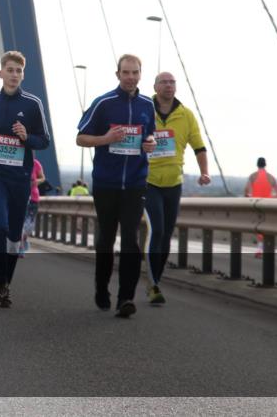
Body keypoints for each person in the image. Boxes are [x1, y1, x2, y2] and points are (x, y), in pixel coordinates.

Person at [76, 54, 157, 318]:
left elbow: (151, 135)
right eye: (126, 72)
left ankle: (125, 298)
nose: (131, 77)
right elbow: (81, 138)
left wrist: (151, 143)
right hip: (106, 183)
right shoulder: (103, 103)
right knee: (106, 240)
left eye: (135, 73)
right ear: (118, 74)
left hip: (135, 183)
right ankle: (102, 289)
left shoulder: (147, 105)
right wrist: (106, 138)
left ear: (140, 74)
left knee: (131, 240)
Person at [0, 51, 51, 309]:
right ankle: (0, 281)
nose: (14, 75)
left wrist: (27, 137)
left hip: (20, 178)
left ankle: (5, 284)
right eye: (10, 70)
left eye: (18, 71)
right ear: (1, 73)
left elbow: (44, 141)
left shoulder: (32, 104)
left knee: (15, 234)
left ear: (23, 75)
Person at [144, 72, 211, 304]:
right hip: (149, 181)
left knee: (166, 235)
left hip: (174, 183)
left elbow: (199, 146)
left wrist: (204, 172)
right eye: (164, 82)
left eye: (172, 82)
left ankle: (156, 279)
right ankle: (153, 284)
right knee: (157, 230)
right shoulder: (144, 110)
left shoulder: (186, 114)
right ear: (155, 87)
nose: (168, 85)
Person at [245, 157, 277, 257]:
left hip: (256, 204)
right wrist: (271, 198)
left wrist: (250, 197)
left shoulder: (253, 176)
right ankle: (262, 249)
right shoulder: (271, 177)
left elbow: (246, 191)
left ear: (257, 165)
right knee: (265, 227)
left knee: (258, 226)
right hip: (267, 205)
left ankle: (260, 249)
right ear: (265, 165)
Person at [20, 157, 46, 257]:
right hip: (20, 197)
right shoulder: (16, 161)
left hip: (33, 198)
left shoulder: (35, 163)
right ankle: (20, 247)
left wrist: (36, 181)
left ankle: (24, 239)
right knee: (20, 224)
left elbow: (42, 178)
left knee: (29, 226)